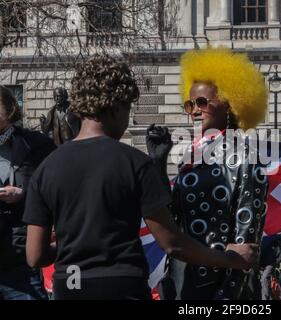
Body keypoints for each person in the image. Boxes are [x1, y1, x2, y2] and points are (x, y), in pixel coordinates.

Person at [22, 55, 259, 300]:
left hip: (68, 285)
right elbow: (171, 242)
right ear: (116, 108)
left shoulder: (46, 168)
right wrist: (228, 258)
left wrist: (77, 244)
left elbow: (35, 255)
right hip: (122, 285)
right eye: (128, 110)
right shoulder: (134, 163)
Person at [151, 47, 269, 300]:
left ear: (229, 103)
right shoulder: (189, 160)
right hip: (183, 280)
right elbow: (169, 219)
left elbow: (245, 246)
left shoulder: (247, 158)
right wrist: (158, 165)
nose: (195, 110)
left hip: (222, 287)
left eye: (203, 102)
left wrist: (225, 297)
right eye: (190, 104)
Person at [0, 86, 56, 300]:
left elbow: (52, 192)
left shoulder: (37, 146)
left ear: (9, 108)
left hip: (20, 257)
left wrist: (23, 195)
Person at [259, 232, 281, 300]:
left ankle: (265, 298)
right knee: (264, 281)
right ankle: (270, 297)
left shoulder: (271, 232)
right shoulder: (258, 232)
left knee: (264, 278)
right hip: (260, 261)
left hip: (271, 261)